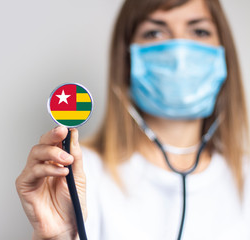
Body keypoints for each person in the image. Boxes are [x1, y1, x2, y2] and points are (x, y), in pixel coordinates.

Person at [16, 0, 250, 239]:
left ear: (224, 54)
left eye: (199, 31)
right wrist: (59, 236)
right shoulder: (76, 174)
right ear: (127, 60)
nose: (179, 51)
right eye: (155, 32)